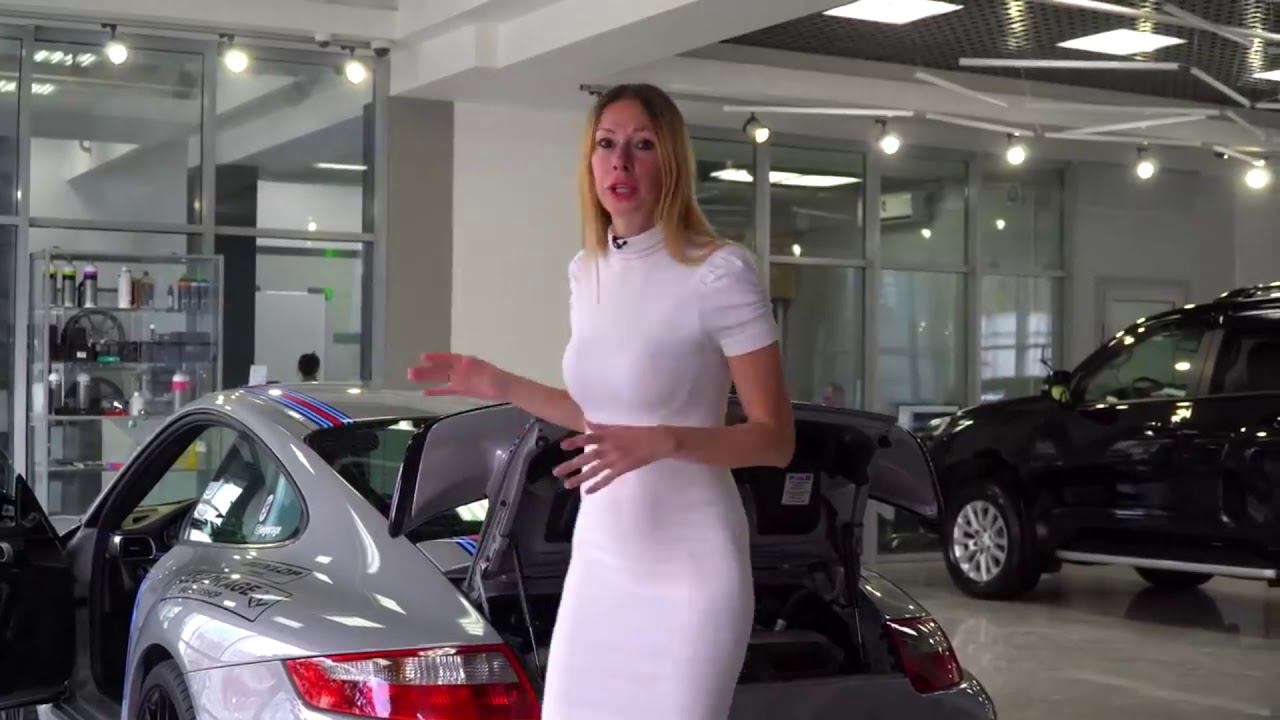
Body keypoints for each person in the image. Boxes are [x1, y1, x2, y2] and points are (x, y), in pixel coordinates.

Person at [408, 83, 794, 719]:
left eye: (643, 145)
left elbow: (775, 439)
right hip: (602, 560)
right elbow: (600, 420)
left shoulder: (720, 272)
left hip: (692, 570)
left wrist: (667, 440)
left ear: (671, 163)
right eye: (607, 144)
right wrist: (498, 382)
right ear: (589, 163)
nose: (621, 162)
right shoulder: (585, 271)